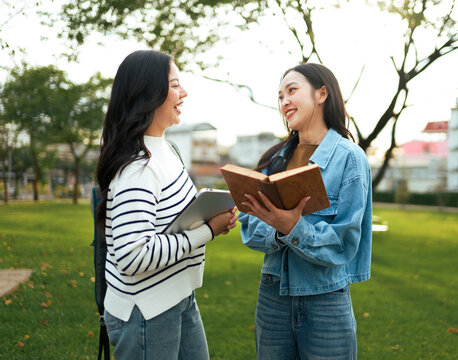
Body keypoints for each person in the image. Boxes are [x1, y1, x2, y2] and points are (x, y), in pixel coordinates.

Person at [95, 50, 237, 360]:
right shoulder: (137, 167)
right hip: (145, 312)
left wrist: (205, 206)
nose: (183, 92)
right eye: (174, 85)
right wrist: (207, 232)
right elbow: (132, 256)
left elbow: (165, 215)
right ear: (149, 93)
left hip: (178, 298)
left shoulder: (165, 147)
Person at [239, 63, 372, 360]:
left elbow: (345, 242)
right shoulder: (274, 159)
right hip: (272, 296)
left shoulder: (350, 159)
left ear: (321, 94)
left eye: (292, 90)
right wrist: (277, 227)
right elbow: (248, 226)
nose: (284, 101)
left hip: (325, 298)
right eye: (280, 96)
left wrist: (293, 227)